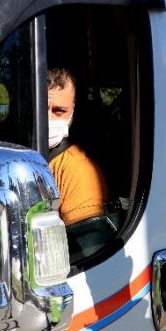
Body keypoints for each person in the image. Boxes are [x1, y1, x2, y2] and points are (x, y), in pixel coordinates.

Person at [46, 68, 109, 225]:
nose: (47, 119)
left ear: (74, 113)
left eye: (59, 111)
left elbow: (87, 245)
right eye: (41, 109)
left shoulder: (77, 170)